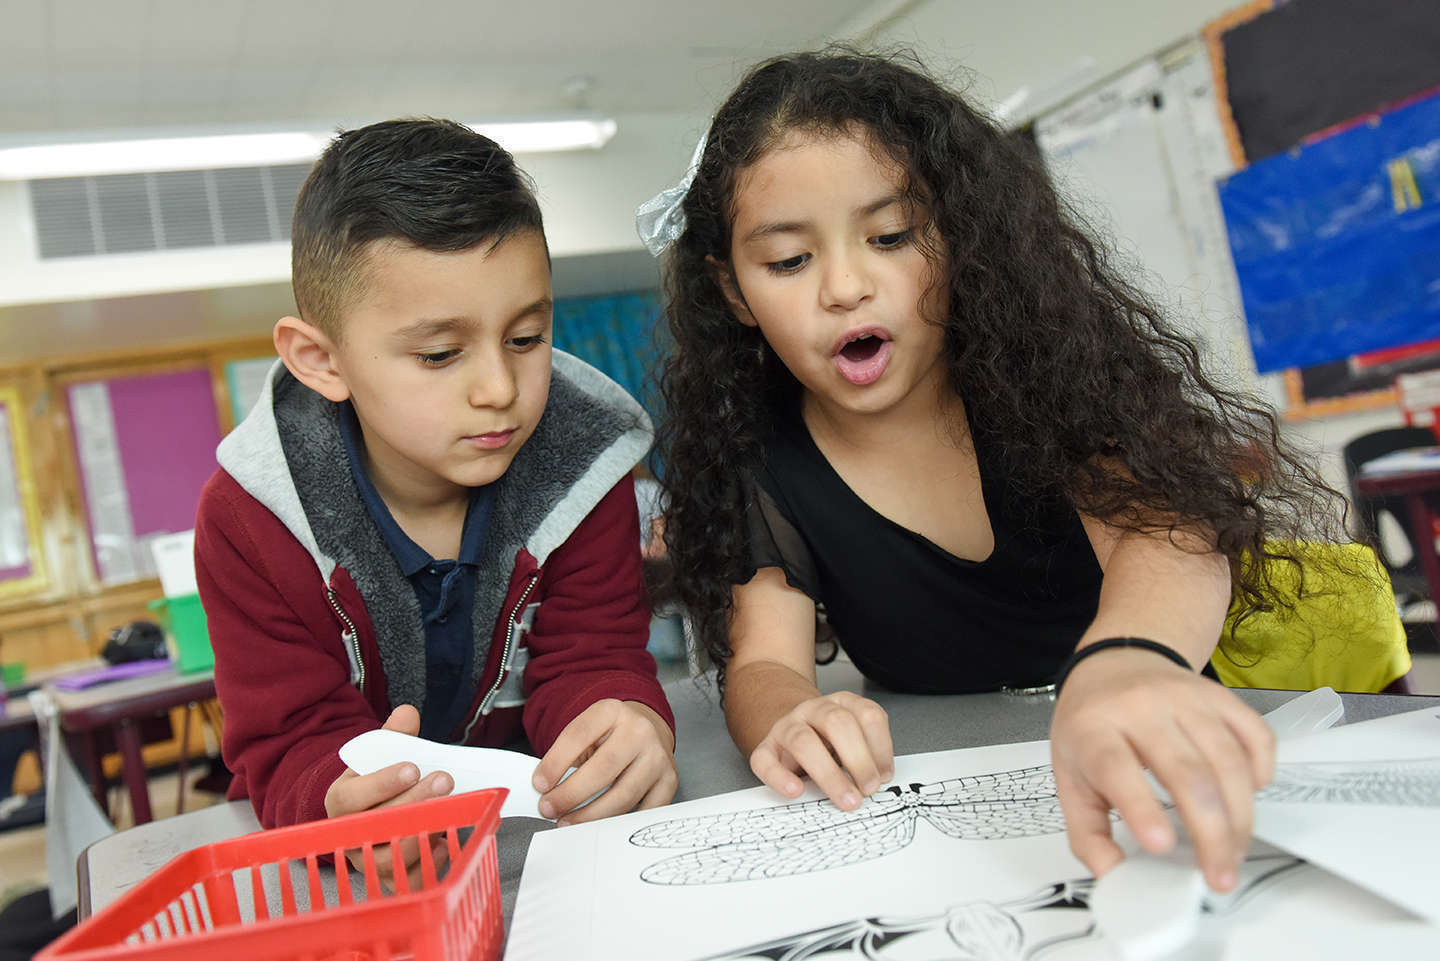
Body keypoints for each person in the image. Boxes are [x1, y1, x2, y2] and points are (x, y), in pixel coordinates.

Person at [645, 50, 1356, 893]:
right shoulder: (762, 459)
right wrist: (794, 714)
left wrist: (1129, 659)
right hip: (950, 817)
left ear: (956, 234)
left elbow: (1169, 537)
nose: (845, 287)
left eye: (892, 236)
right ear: (733, 291)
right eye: (789, 261)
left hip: (1152, 753)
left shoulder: (1040, 382)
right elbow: (764, 661)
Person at [195, 120, 678, 881]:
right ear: (322, 360)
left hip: (544, 856)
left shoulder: (584, 465)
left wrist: (624, 720)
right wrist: (338, 804)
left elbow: (595, 657)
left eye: (526, 337)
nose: (499, 389)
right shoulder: (250, 520)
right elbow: (289, 741)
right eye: (440, 354)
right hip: (366, 885)